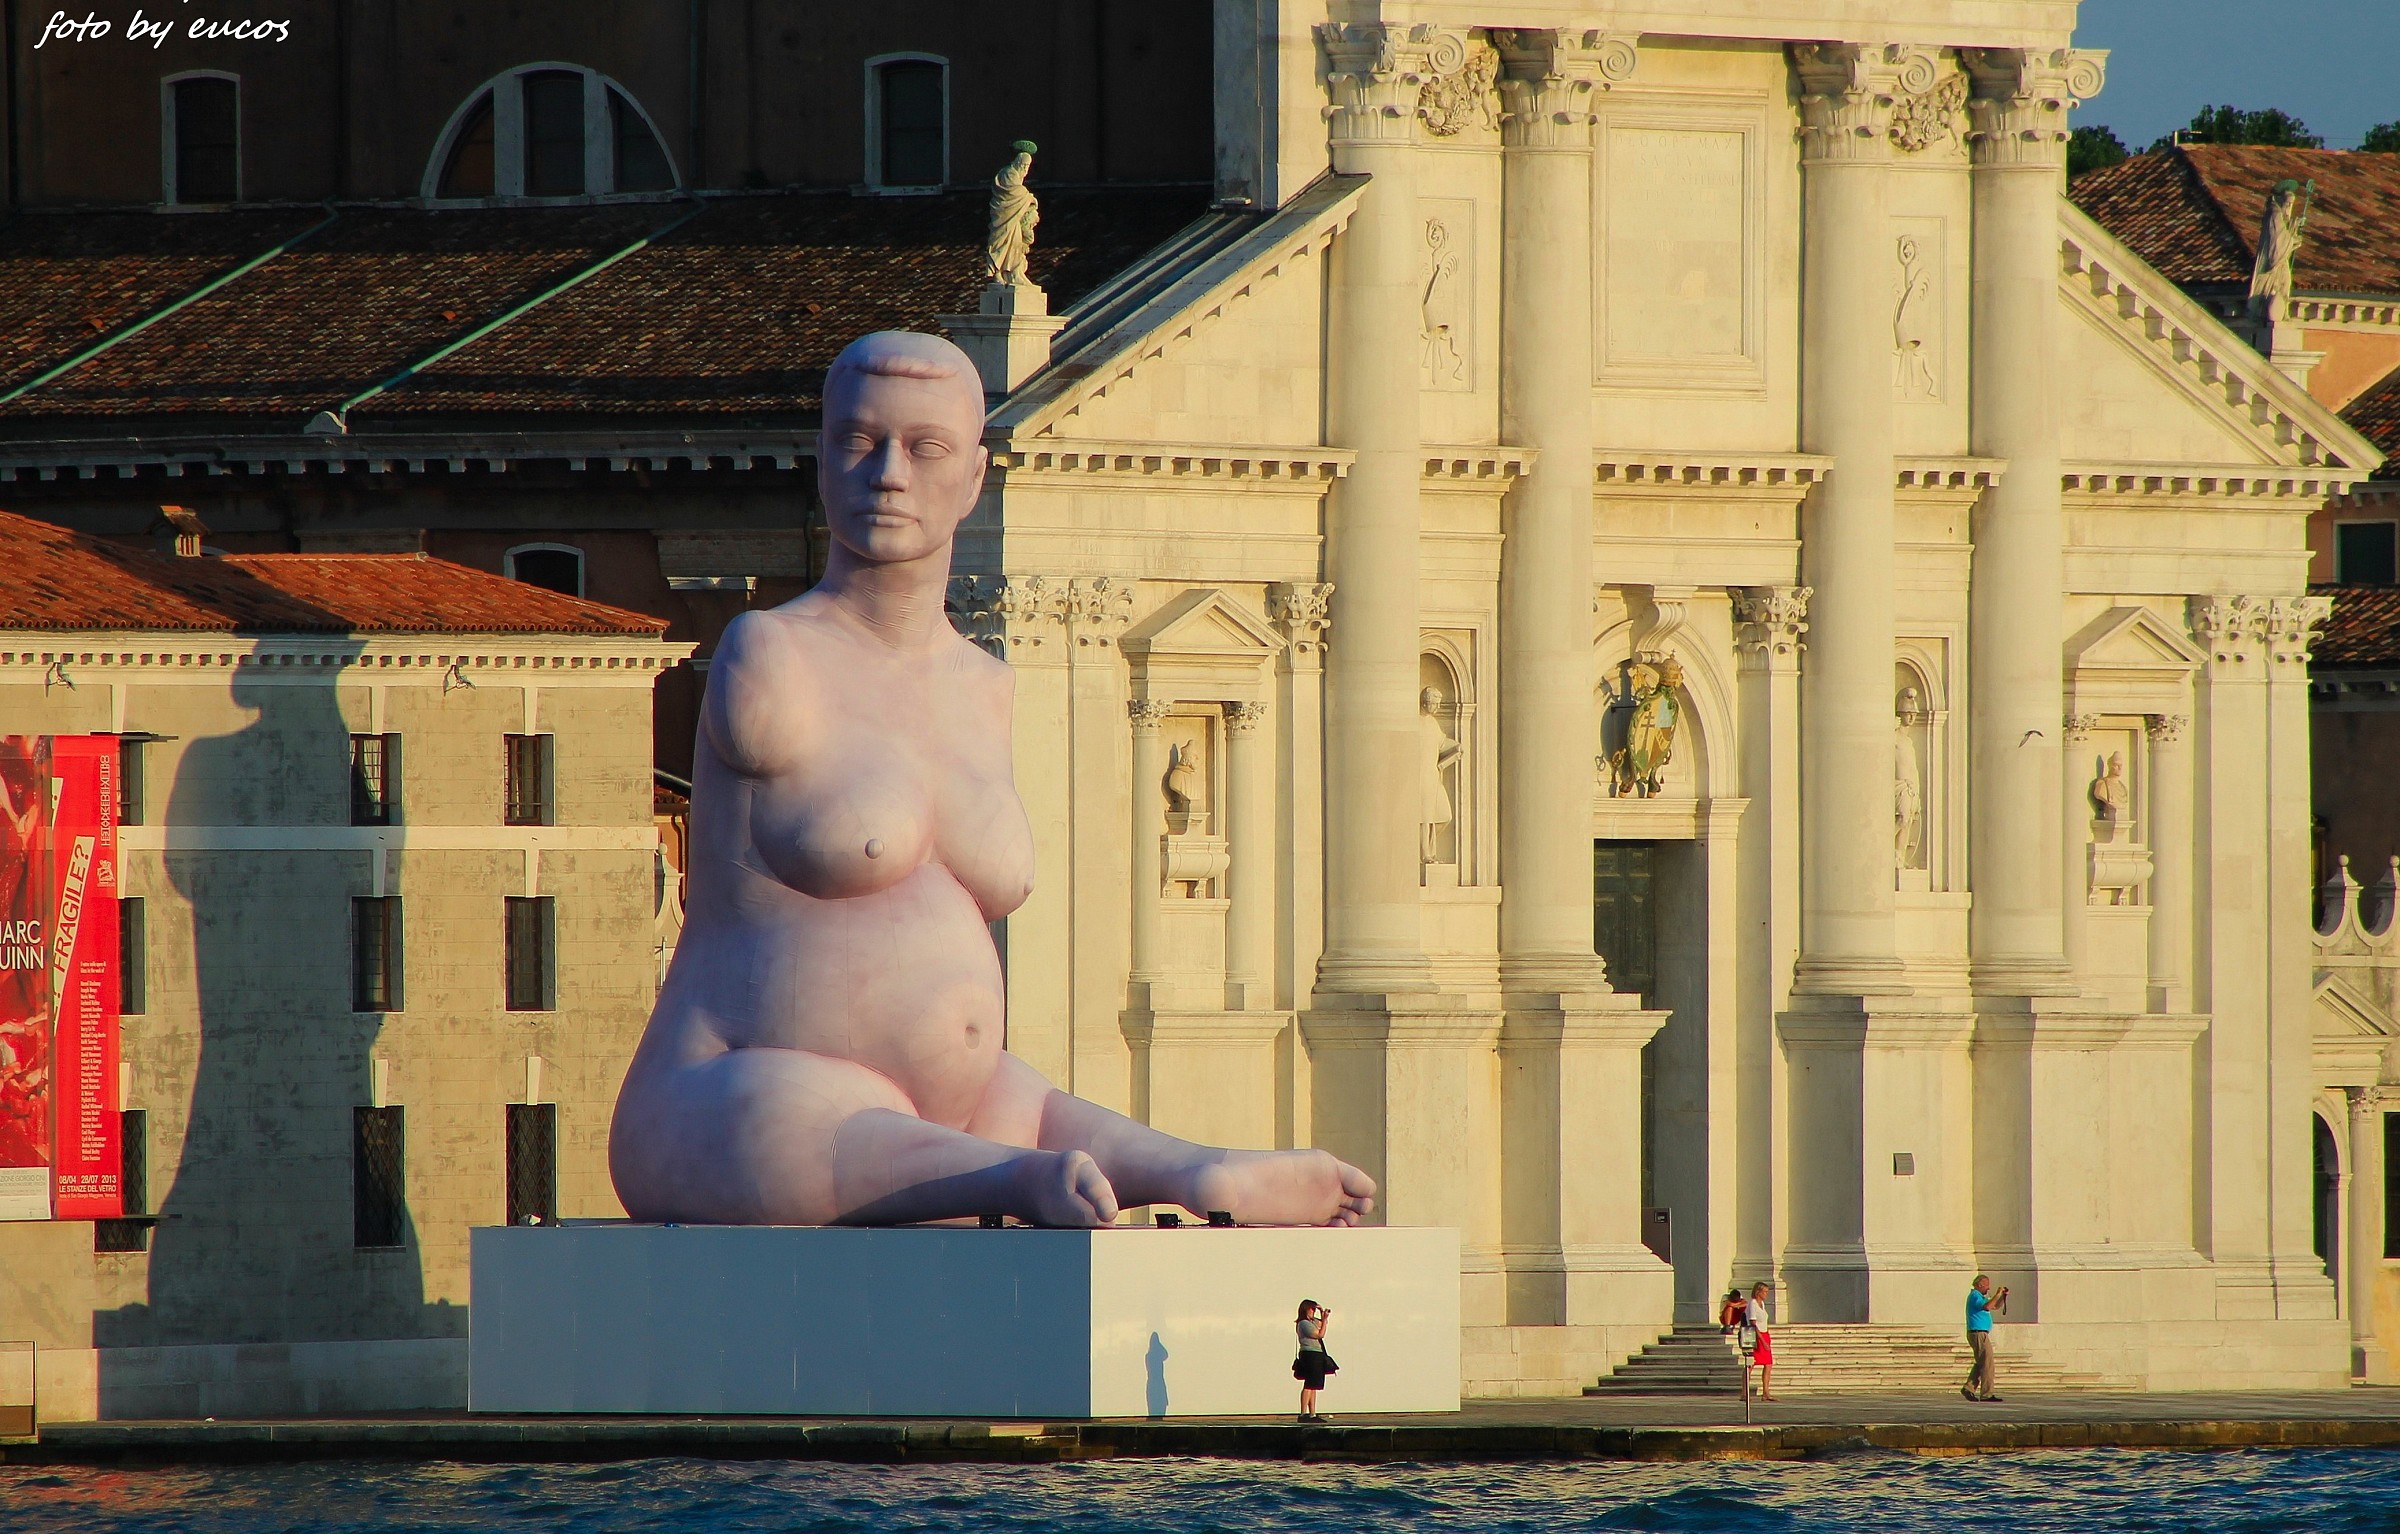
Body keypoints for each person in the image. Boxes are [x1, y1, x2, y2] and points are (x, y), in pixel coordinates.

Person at [608, 331, 1378, 1229]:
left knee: (1031, 1103)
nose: (887, 474)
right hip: (739, 1090)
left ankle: (1193, 1167)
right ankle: (1014, 1176)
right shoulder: (768, 655)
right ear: (821, 462)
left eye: (924, 447)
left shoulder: (988, 687)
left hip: (960, 1102)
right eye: (859, 442)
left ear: (974, 477)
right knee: (801, 1124)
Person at [1964, 1274, 2008, 1402]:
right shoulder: (1975, 1296)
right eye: (1987, 1285)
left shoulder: (1980, 1297)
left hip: (1980, 1333)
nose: (1988, 1288)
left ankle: (1969, 1388)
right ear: (1980, 1284)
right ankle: (1987, 1394)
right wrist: (1997, 1293)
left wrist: (2001, 1297)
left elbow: (1994, 1306)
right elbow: (1987, 1306)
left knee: (1982, 1362)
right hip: (1978, 1333)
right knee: (1987, 1364)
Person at [1294, 1299, 1337, 1423]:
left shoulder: (1312, 1321)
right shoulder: (1303, 1323)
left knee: (1314, 1385)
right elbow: (1319, 1334)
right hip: (1309, 1354)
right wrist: (1323, 1324)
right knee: (1309, 1384)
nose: (1313, 1311)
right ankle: (1303, 1413)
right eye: (1312, 1309)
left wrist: (1322, 1313)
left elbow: (1323, 1324)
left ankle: (1312, 1413)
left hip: (1317, 1354)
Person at [1744, 1281, 1775, 1400]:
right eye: (1765, 1291)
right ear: (1758, 1292)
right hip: (1756, 1336)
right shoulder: (1752, 1304)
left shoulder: (1761, 1303)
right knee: (1751, 1364)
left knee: (1768, 1364)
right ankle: (1744, 1392)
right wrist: (1762, 1340)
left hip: (1764, 1333)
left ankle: (1766, 1392)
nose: (1766, 1294)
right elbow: (1753, 1323)